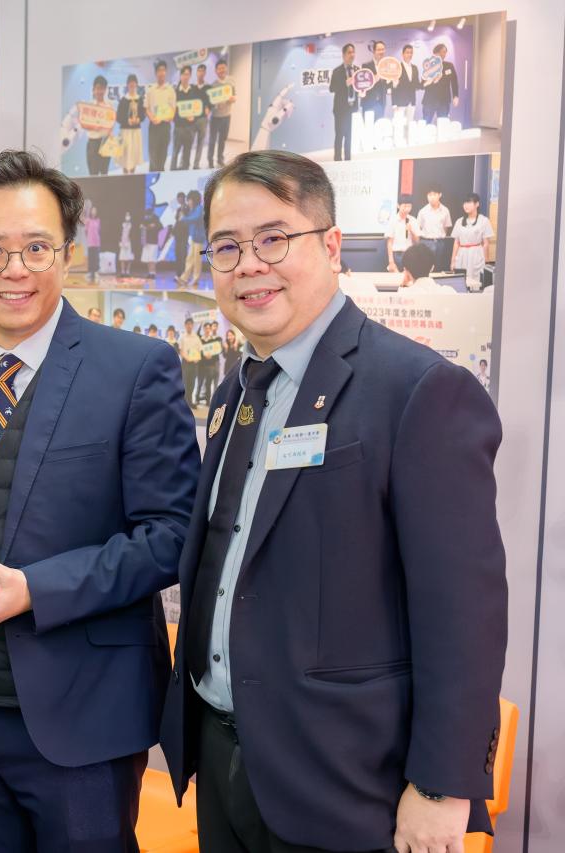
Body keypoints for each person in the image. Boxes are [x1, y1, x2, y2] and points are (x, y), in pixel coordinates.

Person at [161, 150, 506, 853]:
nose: (248, 265)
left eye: (273, 239)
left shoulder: (417, 391)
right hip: (223, 755)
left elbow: (463, 610)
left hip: (345, 780)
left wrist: (440, 786)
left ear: (331, 244)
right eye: (226, 247)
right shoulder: (236, 392)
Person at [0, 148, 199, 853]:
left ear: (67, 253)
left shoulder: (135, 369)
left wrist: (35, 591)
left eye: (35, 247)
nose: (13, 269)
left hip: (84, 716)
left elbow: (172, 534)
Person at [451, 193, 495, 291]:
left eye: (469, 202)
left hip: (476, 253)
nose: (466, 205)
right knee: (461, 281)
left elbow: (486, 243)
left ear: (477, 204)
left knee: (476, 281)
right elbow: (456, 242)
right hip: (462, 254)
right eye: (464, 203)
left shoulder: (484, 220)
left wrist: (486, 261)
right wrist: (452, 261)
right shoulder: (459, 221)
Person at [329, 44, 360, 161]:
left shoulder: (357, 70)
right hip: (340, 110)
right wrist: (345, 84)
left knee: (350, 136)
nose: (352, 55)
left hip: (353, 108)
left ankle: (348, 160)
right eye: (349, 52)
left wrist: (362, 92)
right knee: (340, 135)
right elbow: (332, 88)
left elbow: (360, 86)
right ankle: (337, 159)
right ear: (343, 55)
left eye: (353, 52)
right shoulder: (337, 71)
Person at [146, 60, 176, 172]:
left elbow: (173, 108)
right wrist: (152, 118)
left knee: (163, 154)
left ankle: (161, 174)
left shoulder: (170, 90)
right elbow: (146, 108)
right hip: (154, 126)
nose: (161, 73)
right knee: (153, 154)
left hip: (165, 126)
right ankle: (152, 175)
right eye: (159, 70)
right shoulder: (150, 90)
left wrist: (169, 116)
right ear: (156, 73)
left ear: (166, 72)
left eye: (163, 70)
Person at [205, 60, 236, 169]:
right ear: (216, 71)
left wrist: (233, 99)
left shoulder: (231, 82)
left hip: (227, 116)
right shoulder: (213, 85)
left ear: (226, 68)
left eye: (223, 68)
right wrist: (216, 105)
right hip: (215, 117)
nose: (221, 70)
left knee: (222, 139)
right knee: (212, 140)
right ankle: (210, 160)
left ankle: (220, 158)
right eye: (219, 68)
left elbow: (234, 96)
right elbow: (210, 103)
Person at [422, 42, 460, 124]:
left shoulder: (449, 66)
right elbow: (423, 83)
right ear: (436, 53)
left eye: (445, 52)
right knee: (426, 123)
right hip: (429, 100)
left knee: (443, 124)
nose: (444, 54)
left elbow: (454, 81)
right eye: (442, 52)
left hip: (444, 100)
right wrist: (433, 80)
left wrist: (455, 96)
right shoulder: (429, 65)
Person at [176, 189, 206, 288]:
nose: (188, 202)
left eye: (189, 200)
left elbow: (195, 218)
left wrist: (184, 218)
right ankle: (184, 278)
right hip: (194, 238)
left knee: (197, 259)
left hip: (199, 238)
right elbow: (187, 220)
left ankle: (196, 278)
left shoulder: (199, 209)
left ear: (194, 200)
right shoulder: (193, 209)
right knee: (189, 259)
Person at [85, 75, 114, 177]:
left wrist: (109, 131)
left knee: (104, 173)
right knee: (93, 174)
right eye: (97, 88)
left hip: (105, 142)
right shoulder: (89, 106)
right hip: (93, 142)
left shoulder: (109, 106)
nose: (99, 91)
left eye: (102, 88)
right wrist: (94, 126)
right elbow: (85, 124)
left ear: (105, 90)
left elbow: (111, 123)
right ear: (93, 90)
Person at [172, 66, 200, 171]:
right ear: (180, 76)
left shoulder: (194, 91)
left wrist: (194, 117)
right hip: (178, 127)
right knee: (175, 152)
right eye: (184, 74)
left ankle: (185, 171)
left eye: (188, 74)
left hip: (190, 128)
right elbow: (172, 111)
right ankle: (172, 171)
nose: (185, 76)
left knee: (187, 152)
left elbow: (197, 108)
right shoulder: (175, 92)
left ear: (190, 76)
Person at [117, 73, 145, 174]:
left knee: (134, 155)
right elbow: (118, 117)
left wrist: (139, 119)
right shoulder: (123, 100)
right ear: (127, 85)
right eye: (130, 83)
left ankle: (132, 174)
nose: (132, 85)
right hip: (125, 131)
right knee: (124, 155)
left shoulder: (140, 99)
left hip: (136, 131)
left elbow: (143, 115)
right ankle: (125, 175)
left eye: (134, 83)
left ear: (136, 84)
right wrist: (127, 121)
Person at [390, 44, 420, 141]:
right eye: (407, 52)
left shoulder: (415, 68)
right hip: (400, 103)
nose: (409, 54)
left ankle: (408, 144)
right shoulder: (397, 67)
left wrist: (428, 81)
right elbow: (393, 87)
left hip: (412, 102)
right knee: (399, 127)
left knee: (409, 126)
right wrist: (394, 104)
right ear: (402, 54)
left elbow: (417, 84)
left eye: (411, 53)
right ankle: (398, 145)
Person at [385, 194, 419, 272]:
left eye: (409, 206)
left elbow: (417, 241)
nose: (407, 209)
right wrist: (391, 261)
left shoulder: (413, 220)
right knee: (396, 278)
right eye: (404, 206)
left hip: (410, 254)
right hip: (397, 255)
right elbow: (389, 242)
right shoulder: (393, 220)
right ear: (398, 206)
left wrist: (411, 231)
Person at [417, 187, 452, 261]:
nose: (432, 197)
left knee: (438, 265)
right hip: (426, 242)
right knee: (425, 265)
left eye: (434, 194)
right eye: (430, 195)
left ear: (440, 195)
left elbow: (446, 228)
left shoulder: (445, 210)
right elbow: (419, 228)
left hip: (440, 243)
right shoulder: (423, 211)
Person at [361, 40, 389, 121]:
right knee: (369, 128)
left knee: (379, 127)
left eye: (383, 49)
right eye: (379, 50)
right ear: (374, 51)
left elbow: (387, 86)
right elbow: (365, 85)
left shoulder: (386, 66)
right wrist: (377, 76)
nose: (381, 52)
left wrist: (393, 82)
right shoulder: (366, 65)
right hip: (369, 103)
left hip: (381, 103)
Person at [190, 64, 212, 170]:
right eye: (199, 71)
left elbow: (211, 102)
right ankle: (185, 163)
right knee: (189, 142)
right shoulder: (192, 87)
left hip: (203, 119)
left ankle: (196, 164)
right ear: (196, 72)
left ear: (205, 73)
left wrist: (209, 108)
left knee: (200, 142)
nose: (201, 73)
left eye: (203, 71)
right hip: (192, 119)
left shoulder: (208, 88)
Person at [178, 316, 203, 404]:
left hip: (194, 363)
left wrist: (197, 358)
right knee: (185, 382)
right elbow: (180, 350)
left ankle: (190, 402)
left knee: (192, 383)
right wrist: (187, 358)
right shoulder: (182, 337)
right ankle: (184, 402)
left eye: (190, 324)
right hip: (185, 363)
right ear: (185, 325)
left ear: (192, 325)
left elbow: (200, 350)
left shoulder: (196, 337)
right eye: (187, 324)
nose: (189, 326)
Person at [85, 203, 102, 282]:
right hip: (90, 243)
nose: (94, 212)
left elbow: (99, 231)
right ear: (91, 211)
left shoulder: (98, 220)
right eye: (93, 210)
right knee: (91, 258)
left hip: (97, 243)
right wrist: (89, 238)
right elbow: (86, 231)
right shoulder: (88, 220)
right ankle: (90, 272)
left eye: (95, 210)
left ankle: (96, 272)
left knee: (96, 258)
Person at [119, 211, 135, 279]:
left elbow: (134, 234)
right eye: (126, 215)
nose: (127, 216)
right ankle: (122, 272)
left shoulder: (132, 225)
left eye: (128, 215)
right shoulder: (122, 224)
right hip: (122, 242)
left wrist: (130, 239)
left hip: (129, 243)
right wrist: (120, 241)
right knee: (122, 257)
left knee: (129, 258)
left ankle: (128, 272)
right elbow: (119, 233)